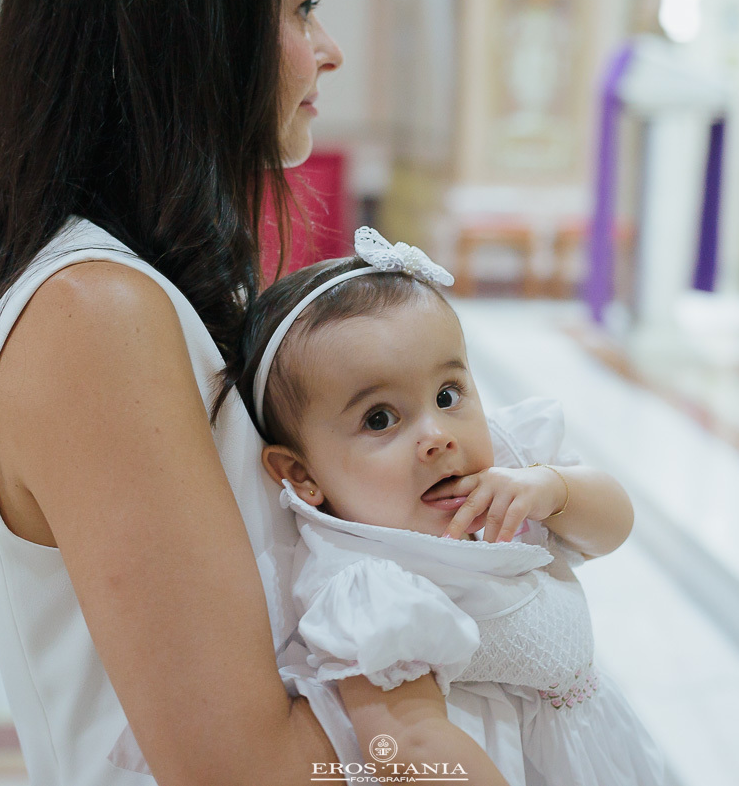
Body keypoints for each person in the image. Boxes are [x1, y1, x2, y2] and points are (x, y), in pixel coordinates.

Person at [0, 0, 350, 784]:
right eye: (302, 9)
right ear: (190, 30)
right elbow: (246, 772)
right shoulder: (94, 314)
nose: (329, 49)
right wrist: (458, 666)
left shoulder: (137, 289)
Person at [114, 228, 666, 784]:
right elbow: (406, 745)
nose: (437, 435)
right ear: (302, 476)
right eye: (380, 418)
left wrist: (554, 488)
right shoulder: (372, 585)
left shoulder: (510, 469)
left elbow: (613, 527)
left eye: (448, 396)